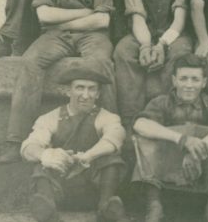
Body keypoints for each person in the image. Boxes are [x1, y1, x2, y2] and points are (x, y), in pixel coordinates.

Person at [0, 0, 117, 164]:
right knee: (30, 61)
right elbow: (43, 15)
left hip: (92, 35)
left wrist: (62, 19)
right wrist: (86, 13)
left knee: (101, 63)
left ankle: (111, 137)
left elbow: (103, 21)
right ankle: (16, 139)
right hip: (54, 35)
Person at [132, 55, 208, 222]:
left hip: (204, 169)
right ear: (174, 80)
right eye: (183, 79)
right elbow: (140, 124)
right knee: (145, 139)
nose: (189, 85)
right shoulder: (161, 102)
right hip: (168, 167)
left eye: (195, 79)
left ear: (204, 82)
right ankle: (154, 205)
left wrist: (201, 145)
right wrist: (182, 140)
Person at [20, 61, 128, 222]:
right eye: (80, 87)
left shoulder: (107, 117)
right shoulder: (50, 118)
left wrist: (88, 156)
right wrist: (46, 155)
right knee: (41, 165)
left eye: (91, 89)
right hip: (61, 190)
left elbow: (115, 138)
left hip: (93, 190)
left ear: (98, 94)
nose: (85, 95)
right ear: (67, 91)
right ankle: (47, 212)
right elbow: (28, 146)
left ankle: (106, 209)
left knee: (111, 159)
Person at [113, 0, 192, 129]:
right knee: (122, 51)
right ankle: (131, 122)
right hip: (143, 33)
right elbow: (137, 17)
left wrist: (162, 45)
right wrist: (146, 46)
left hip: (173, 32)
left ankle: (170, 119)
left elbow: (180, 19)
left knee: (180, 52)